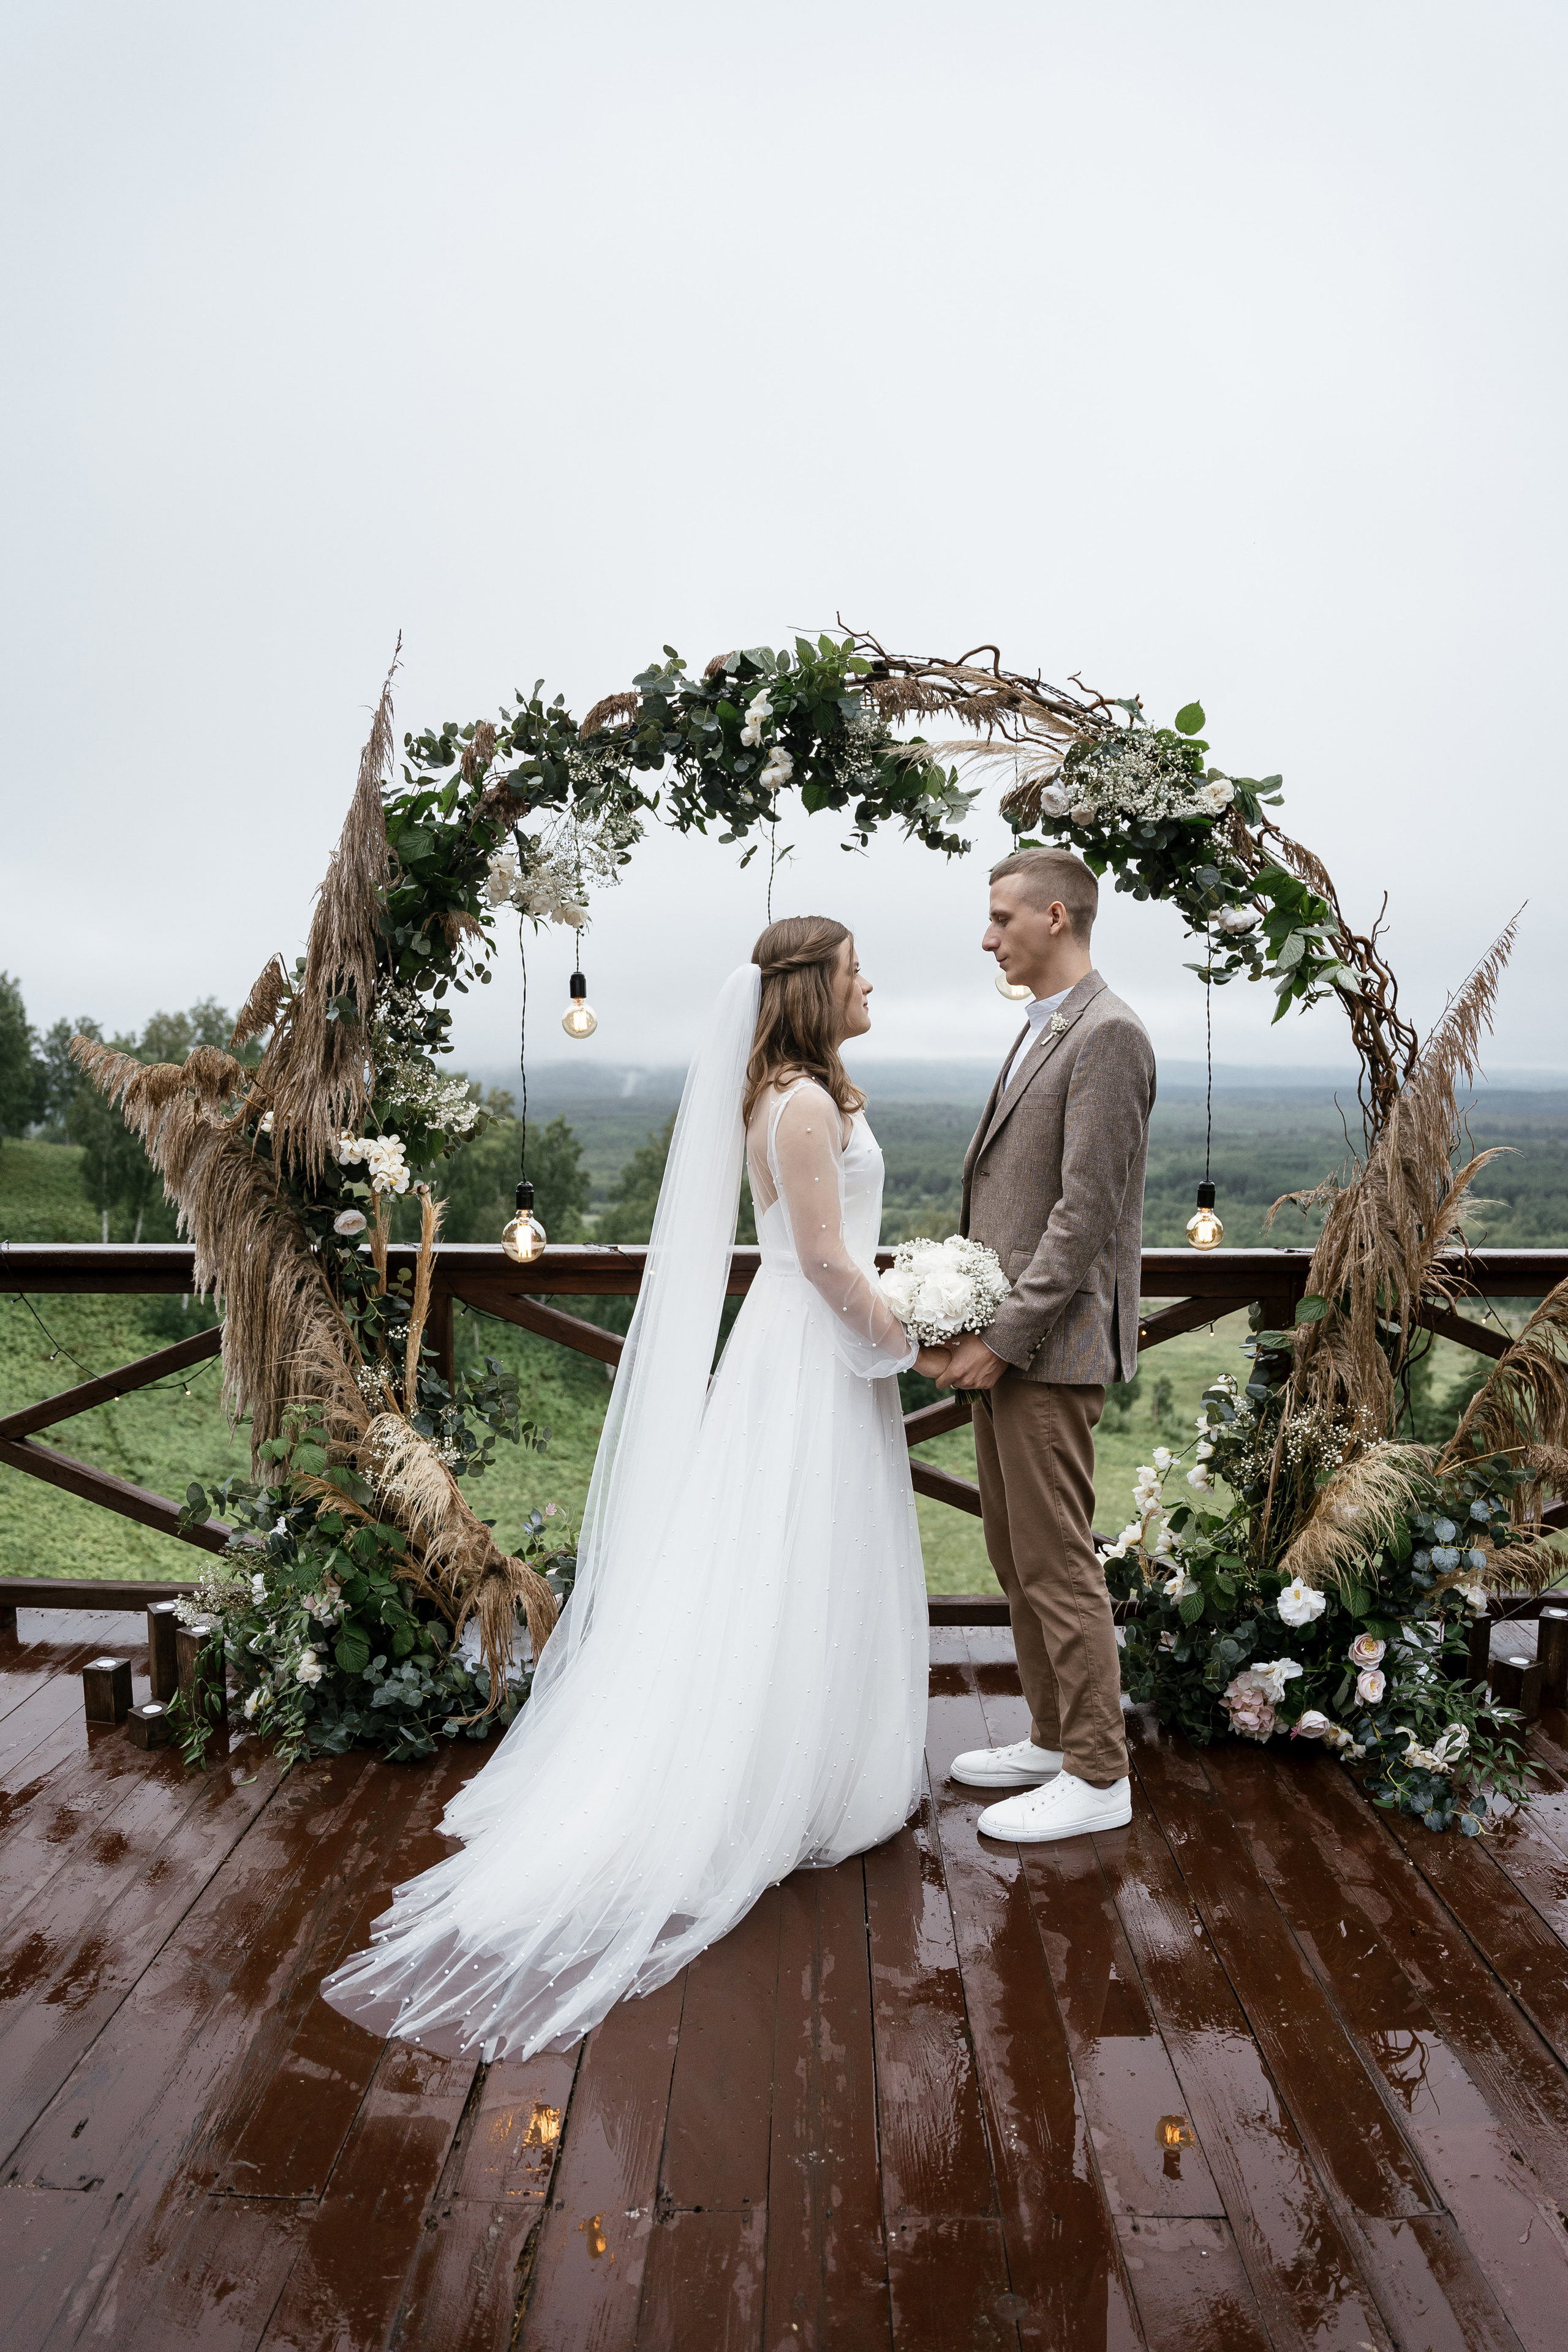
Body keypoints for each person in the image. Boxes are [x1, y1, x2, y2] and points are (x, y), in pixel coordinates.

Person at [321, 916, 948, 2059]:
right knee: (793, 1554)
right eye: (858, 969)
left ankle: (819, 1759)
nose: (872, 984)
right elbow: (817, 1261)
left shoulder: (806, 1095)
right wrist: (918, 1334)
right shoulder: (799, 1105)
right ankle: (778, 1779)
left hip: (813, 1350)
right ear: (813, 989)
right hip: (813, 1353)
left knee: (816, 1555)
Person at [937, 846, 1155, 1842]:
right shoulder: (1045, 1029)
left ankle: (1100, 1775)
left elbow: (1083, 1215)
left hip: (1051, 1346)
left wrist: (1006, 1339)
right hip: (1013, 1339)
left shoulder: (1107, 1034)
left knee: (1058, 1558)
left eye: (1001, 918)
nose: (988, 937)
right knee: (1014, 1549)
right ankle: (1053, 1735)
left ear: (1057, 916)